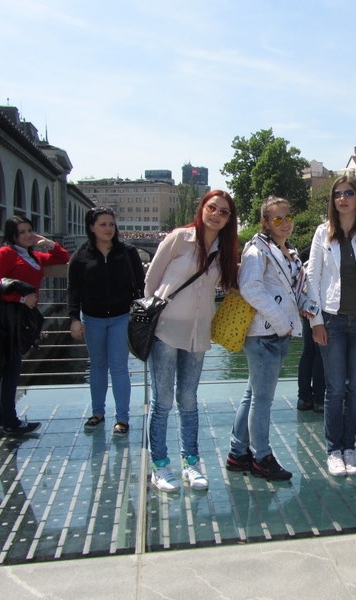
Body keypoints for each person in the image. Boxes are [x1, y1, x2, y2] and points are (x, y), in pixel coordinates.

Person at [144, 190, 239, 492]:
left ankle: (191, 463)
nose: (216, 215)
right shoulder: (179, 238)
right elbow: (151, 281)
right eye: (212, 208)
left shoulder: (224, 250)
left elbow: (231, 283)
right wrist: (154, 317)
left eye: (223, 212)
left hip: (198, 333)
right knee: (163, 401)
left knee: (188, 400)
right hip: (165, 330)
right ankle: (160, 466)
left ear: (229, 219)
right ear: (202, 208)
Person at [306, 175, 356, 477]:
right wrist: (315, 320)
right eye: (338, 194)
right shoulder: (323, 232)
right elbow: (312, 278)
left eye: (349, 193)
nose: (342, 198)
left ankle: (349, 448)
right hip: (332, 319)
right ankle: (333, 450)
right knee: (335, 388)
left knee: (354, 388)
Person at [228, 196, 312, 481]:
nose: (285, 223)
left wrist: (305, 308)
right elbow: (250, 288)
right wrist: (281, 322)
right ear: (265, 222)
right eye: (278, 219)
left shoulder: (288, 251)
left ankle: (238, 453)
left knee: (253, 395)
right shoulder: (257, 251)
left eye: (289, 217)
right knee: (262, 400)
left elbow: (290, 290)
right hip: (265, 333)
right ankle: (262, 457)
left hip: (277, 333)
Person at [0, 216, 69, 435]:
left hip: (22, 318)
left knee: (6, 366)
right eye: (21, 232)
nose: (27, 235)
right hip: (7, 317)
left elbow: (62, 257)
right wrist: (22, 299)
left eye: (29, 230)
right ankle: (11, 422)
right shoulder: (5, 253)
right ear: (12, 235)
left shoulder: (32, 256)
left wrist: (48, 243)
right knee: (11, 368)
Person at [67, 207, 145, 435]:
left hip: (122, 317)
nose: (108, 229)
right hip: (93, 319)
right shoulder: (81, 256)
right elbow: (73, 290)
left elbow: (141, 285)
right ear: (92, 227)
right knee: (98, 366)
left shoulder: (127, 252)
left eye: (111, 224)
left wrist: (139, 314)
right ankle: (98, 413)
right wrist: (74, 318)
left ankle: (122, 418)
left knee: (119, 367)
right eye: (103, 224)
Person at [296, 246, 325, 413]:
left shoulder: (305, 264)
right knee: (320, 354)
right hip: (321, 311)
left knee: (308, 353)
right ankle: (319, 399)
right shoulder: (320, 262)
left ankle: (304, 397)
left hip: (307, 310)